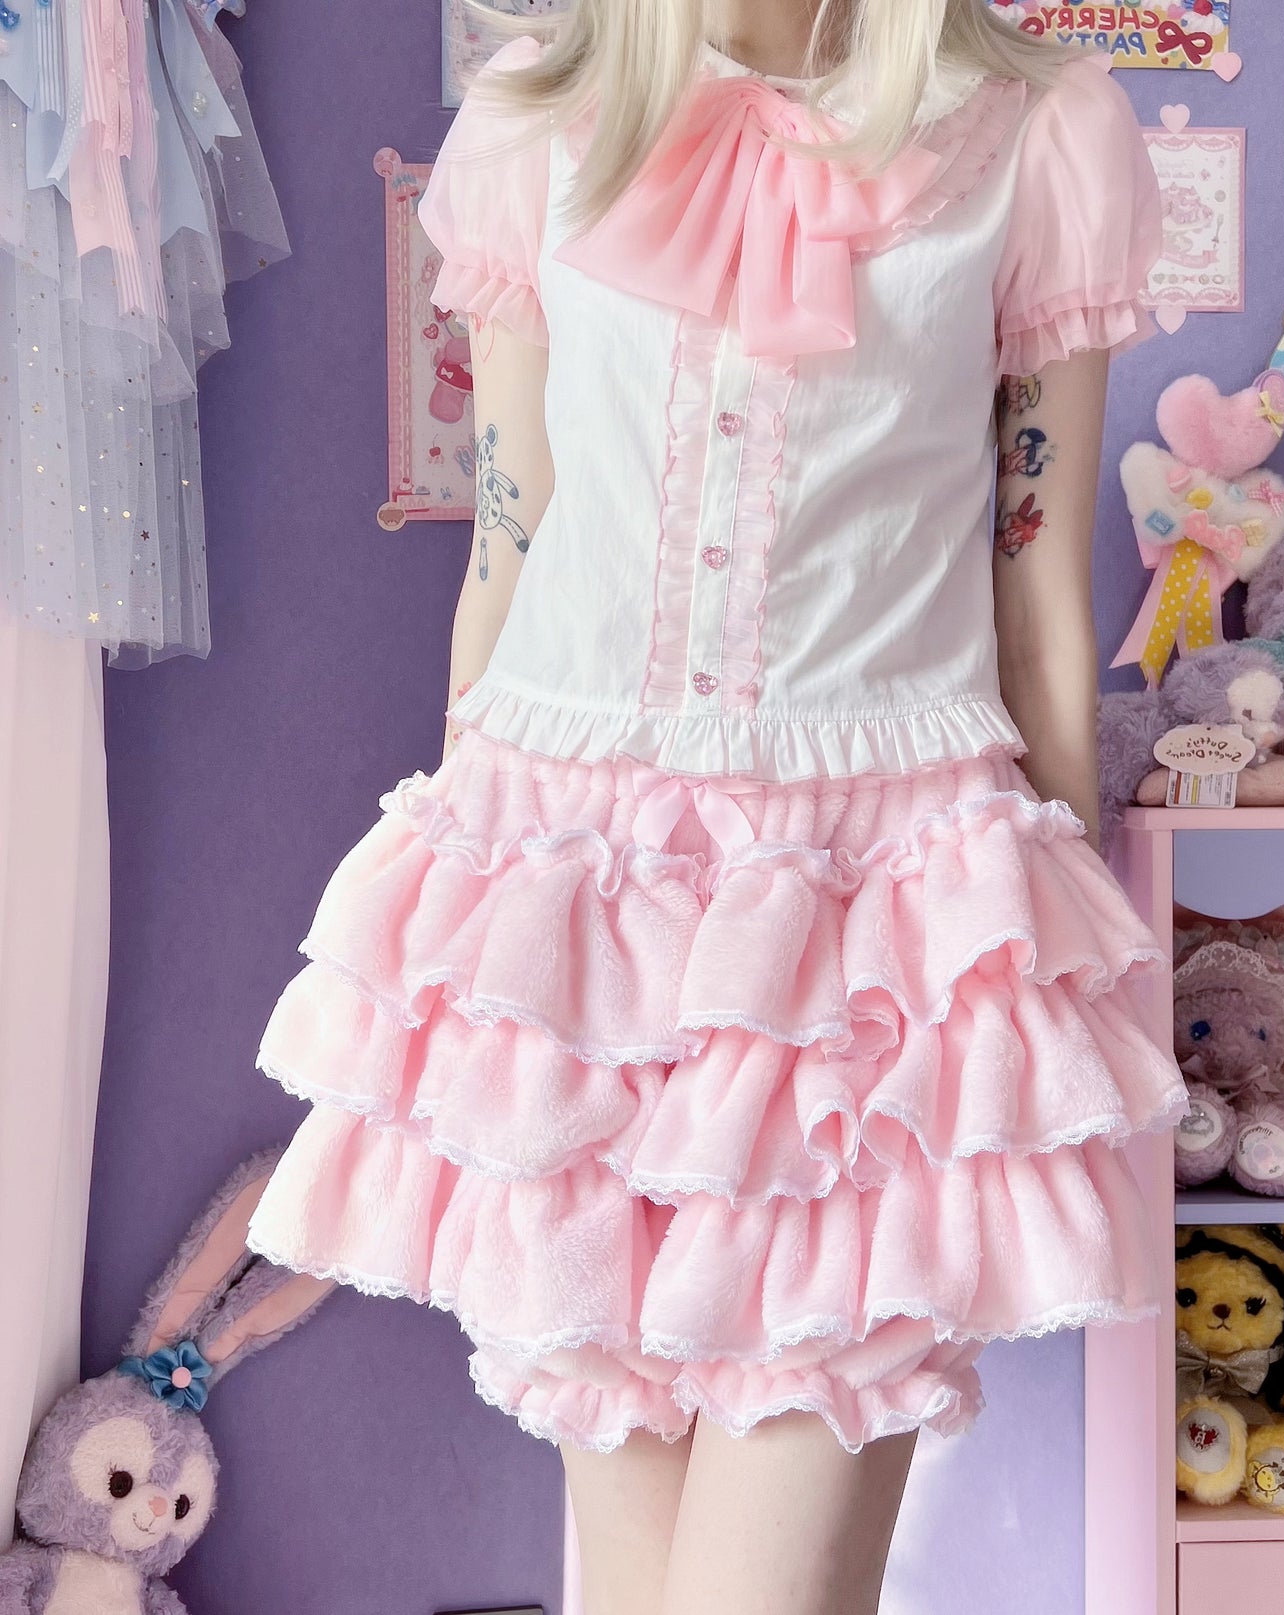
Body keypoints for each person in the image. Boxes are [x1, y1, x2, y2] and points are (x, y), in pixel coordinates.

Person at [246, 3, 1189, 1612]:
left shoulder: (1034, 127)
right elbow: (511, 547)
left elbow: (1038, 596)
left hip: (871, 915)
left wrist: (1052, 967)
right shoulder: (537, 117)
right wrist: (467, 913)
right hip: (577, 907)